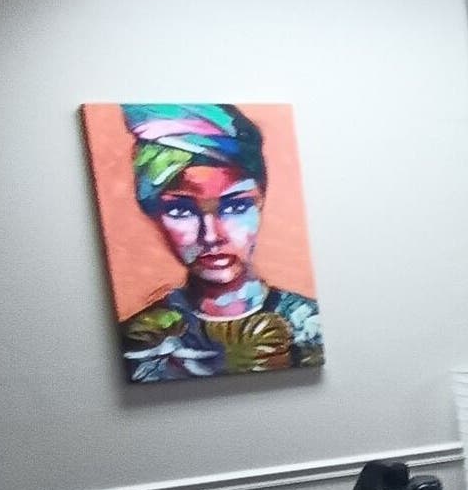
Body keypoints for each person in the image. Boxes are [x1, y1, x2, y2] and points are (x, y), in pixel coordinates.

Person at [113, 104, 323, 381]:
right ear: (155, 215)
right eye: (181, 211)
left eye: (236, 207)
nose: (211, 236)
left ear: (261, 203)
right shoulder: (140, 344)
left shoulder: (311, 326)